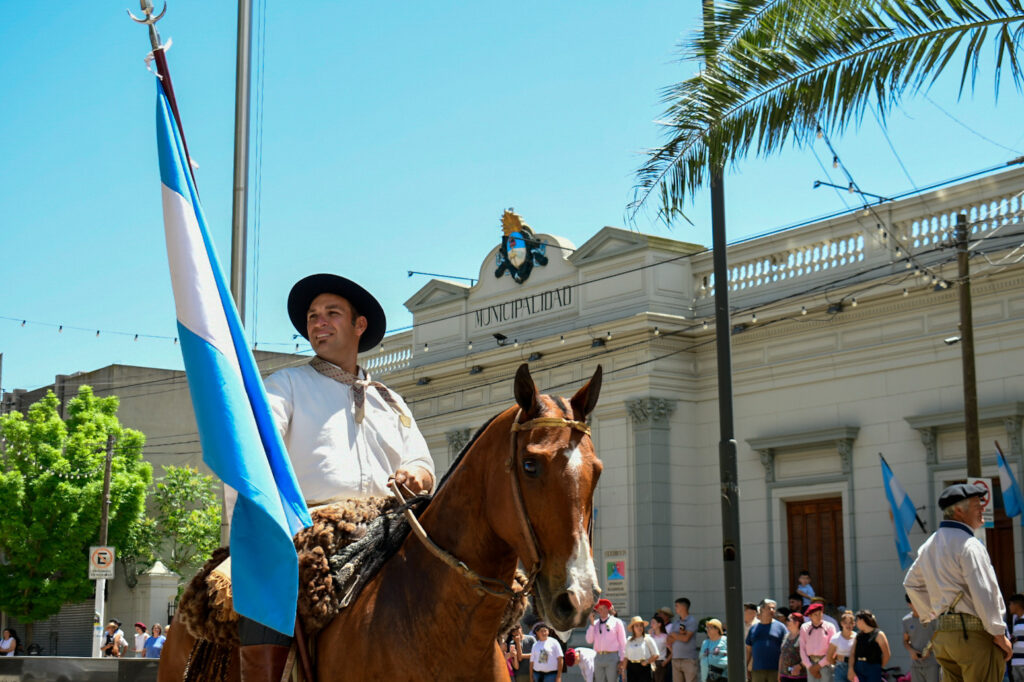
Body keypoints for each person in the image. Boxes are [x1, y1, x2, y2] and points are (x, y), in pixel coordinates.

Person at [240, 274, 437, 681]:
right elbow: (259, 442)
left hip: (390, 527)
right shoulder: (286, 384)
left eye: (332, 313)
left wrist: (417, 474)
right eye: (313, 316)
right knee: (260, 585)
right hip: (314, 528)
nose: (319, 322)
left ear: (358, 326)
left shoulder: (390, 399)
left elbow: (422, 461)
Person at [904, 483, 1012, 682]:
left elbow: (911, 583)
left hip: (944, 636)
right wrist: (999, 634)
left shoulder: (929, 545)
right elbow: (984, 594)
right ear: (959, 511)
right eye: (977, 504)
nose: (982, 508)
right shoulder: (969, 545)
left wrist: (931, 613)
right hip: (973, 636)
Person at [746, 598, 788, 682]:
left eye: (774, 608)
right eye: (769, 608)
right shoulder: (753, 628)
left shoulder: (781, 627)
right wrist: (746, 667)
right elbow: (748, 650)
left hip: (776, 670)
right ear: (761, 609)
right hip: (757, 669)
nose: (772, 610)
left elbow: (786, 649)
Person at [586, 598, 627, 682]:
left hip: (612, 656)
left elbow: (623, 642)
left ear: (607, 609)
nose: (600, 610)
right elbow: (589, 640)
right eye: (599, 609)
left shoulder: (617, 622)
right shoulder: (596, 623)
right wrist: (592, 624)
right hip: (599, 657)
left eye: (603, 608)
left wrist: (622, 660)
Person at [902, 594, 939, 682]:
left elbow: (938, 636)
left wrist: (928, 649)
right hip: (915, 664)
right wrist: (911, 651)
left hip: (932, 663)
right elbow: (905, 641)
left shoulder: (932, 618)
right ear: (909, 604)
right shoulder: (906, 620)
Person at [846, 610, 889, 682]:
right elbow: (852, 653)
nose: (856, 623)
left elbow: (887, 654)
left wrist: (878, 667)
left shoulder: (879, 634)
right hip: (859, 666)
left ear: (862, 620)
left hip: (873, 667)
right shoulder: (859, 636)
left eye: (856, 621)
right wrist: (851, 669)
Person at [799, 603, 835, 682]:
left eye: (820, 614)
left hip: (826, 663)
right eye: (815, 615)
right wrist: (809, 667)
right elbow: (802, 648)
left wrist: (819, 665)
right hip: (810, 663)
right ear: (810, 616)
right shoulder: (804, 628)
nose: (819, 617)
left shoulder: (830, 627)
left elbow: (833, 649)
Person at [667, 597, 699, 682]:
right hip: (676, 658)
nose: (675, 608)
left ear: (683, 607)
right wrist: (679, 635)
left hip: (689, 659)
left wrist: (675, 635)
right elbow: (668, 640)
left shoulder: (691, 621)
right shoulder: (676, 622)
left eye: (677, 606)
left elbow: (686, 638)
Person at [625, 616, 659, 682]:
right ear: (633, 628)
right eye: (637, 626)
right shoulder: (629, 640)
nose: (639, 628)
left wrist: (647, 662)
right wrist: (623, 671)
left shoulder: (648, 638)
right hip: (631, 667)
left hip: (644, 667)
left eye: (641, 625)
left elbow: (656, 654)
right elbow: (626, 657)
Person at [825, 611, 855, 682]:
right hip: (840, 667)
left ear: (854, 624)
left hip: (854, 667)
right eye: (845, 623)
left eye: (850, 623)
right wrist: (837, 663)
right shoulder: (836, 638)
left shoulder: (857, 637)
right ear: (841, 623)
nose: (848, 625)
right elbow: (829, 657)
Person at [779, 613, 806, 682]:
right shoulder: (786, 636)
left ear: (796, 623)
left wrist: (799, 666)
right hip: (784, 676)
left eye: (788, 620)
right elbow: (782, 655)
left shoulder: (803, 637)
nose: (786, 622)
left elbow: (808, 655)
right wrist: (779, 673)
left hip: (800, 677)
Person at [650, 614, 673, 682]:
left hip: (660, 662)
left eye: (653, 622)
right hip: (651, 662)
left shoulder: (665, 637)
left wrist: (666, 661)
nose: (651, 624)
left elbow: (673, 651)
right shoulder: (651, 636)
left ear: (659, 624)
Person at [1010, 594, 1024, 682]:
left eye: (1010, 604)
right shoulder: (1015, 620)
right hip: (1016, 662)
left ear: (1017, 605)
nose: (1009, 607)